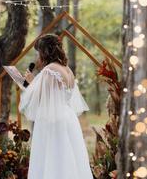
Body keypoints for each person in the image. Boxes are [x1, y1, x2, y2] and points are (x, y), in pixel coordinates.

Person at [19, 34, 93, 179]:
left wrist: (30, 82)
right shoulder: (67, 70)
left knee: (52, 159)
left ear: (44, 52)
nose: (37, 56)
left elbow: (40, 98)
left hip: (52, 120)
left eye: (38, 52)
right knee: (67, 158)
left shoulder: (49, 70)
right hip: (68, 117)